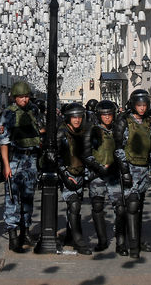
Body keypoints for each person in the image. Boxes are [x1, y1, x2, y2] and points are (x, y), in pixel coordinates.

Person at [0, 81, 43, 252]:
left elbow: (38, 129)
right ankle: (13, 237)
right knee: (12, 198)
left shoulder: (33, 110)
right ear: (14, 97)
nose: (24, 99)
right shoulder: (8, 114)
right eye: (21, 97)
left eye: (26, 96)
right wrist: (6, 165)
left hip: (30, 159)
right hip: (15, 159)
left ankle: (25, 232)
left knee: (28, 198)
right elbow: (4, 141)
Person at [113, 89, 151, 259]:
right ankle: (130, 245)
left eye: (144, 105)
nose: (141, 108)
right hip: (129, 169)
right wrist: (124, 171)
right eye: (139, 105)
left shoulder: (149, 122)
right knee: (129, 206)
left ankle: (137, 240)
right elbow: (118, 148)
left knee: (138, 207)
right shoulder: (124, 121)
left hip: (143, 170)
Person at [83, 99, 123, 254]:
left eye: (110, 114)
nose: (107, 117)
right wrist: (99, 168)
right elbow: (87, 154)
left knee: (120, 208)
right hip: (97, 175)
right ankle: (102, 240)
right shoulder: (92, 131)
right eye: (104, 115)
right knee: (97, 206)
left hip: (113, 174)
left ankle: (120, 242)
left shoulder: (117, 131)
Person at [57, 102, 91, 255]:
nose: (77, 120)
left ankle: (71, 235)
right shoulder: (62, 133)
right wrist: (64, 175)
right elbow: (55, 157)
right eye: (74, 117)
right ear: (68, 118)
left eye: (79, 117)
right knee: (74, 205)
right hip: (68, 174)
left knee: (74, 208)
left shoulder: (83, 132)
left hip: (80, 173)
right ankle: (79, 240)